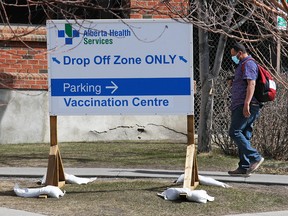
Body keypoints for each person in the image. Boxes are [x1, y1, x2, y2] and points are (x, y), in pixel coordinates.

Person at [228, 43, 264, 177]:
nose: (233, 58)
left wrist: (246, 104)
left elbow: (251, 83)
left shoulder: (248, 63)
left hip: (247, 105)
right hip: (242, 104)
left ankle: (255, 157)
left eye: (233, 55)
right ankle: (244, 166)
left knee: (234, 132)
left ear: (239, 53)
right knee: (244, 134)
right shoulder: (242, 64)